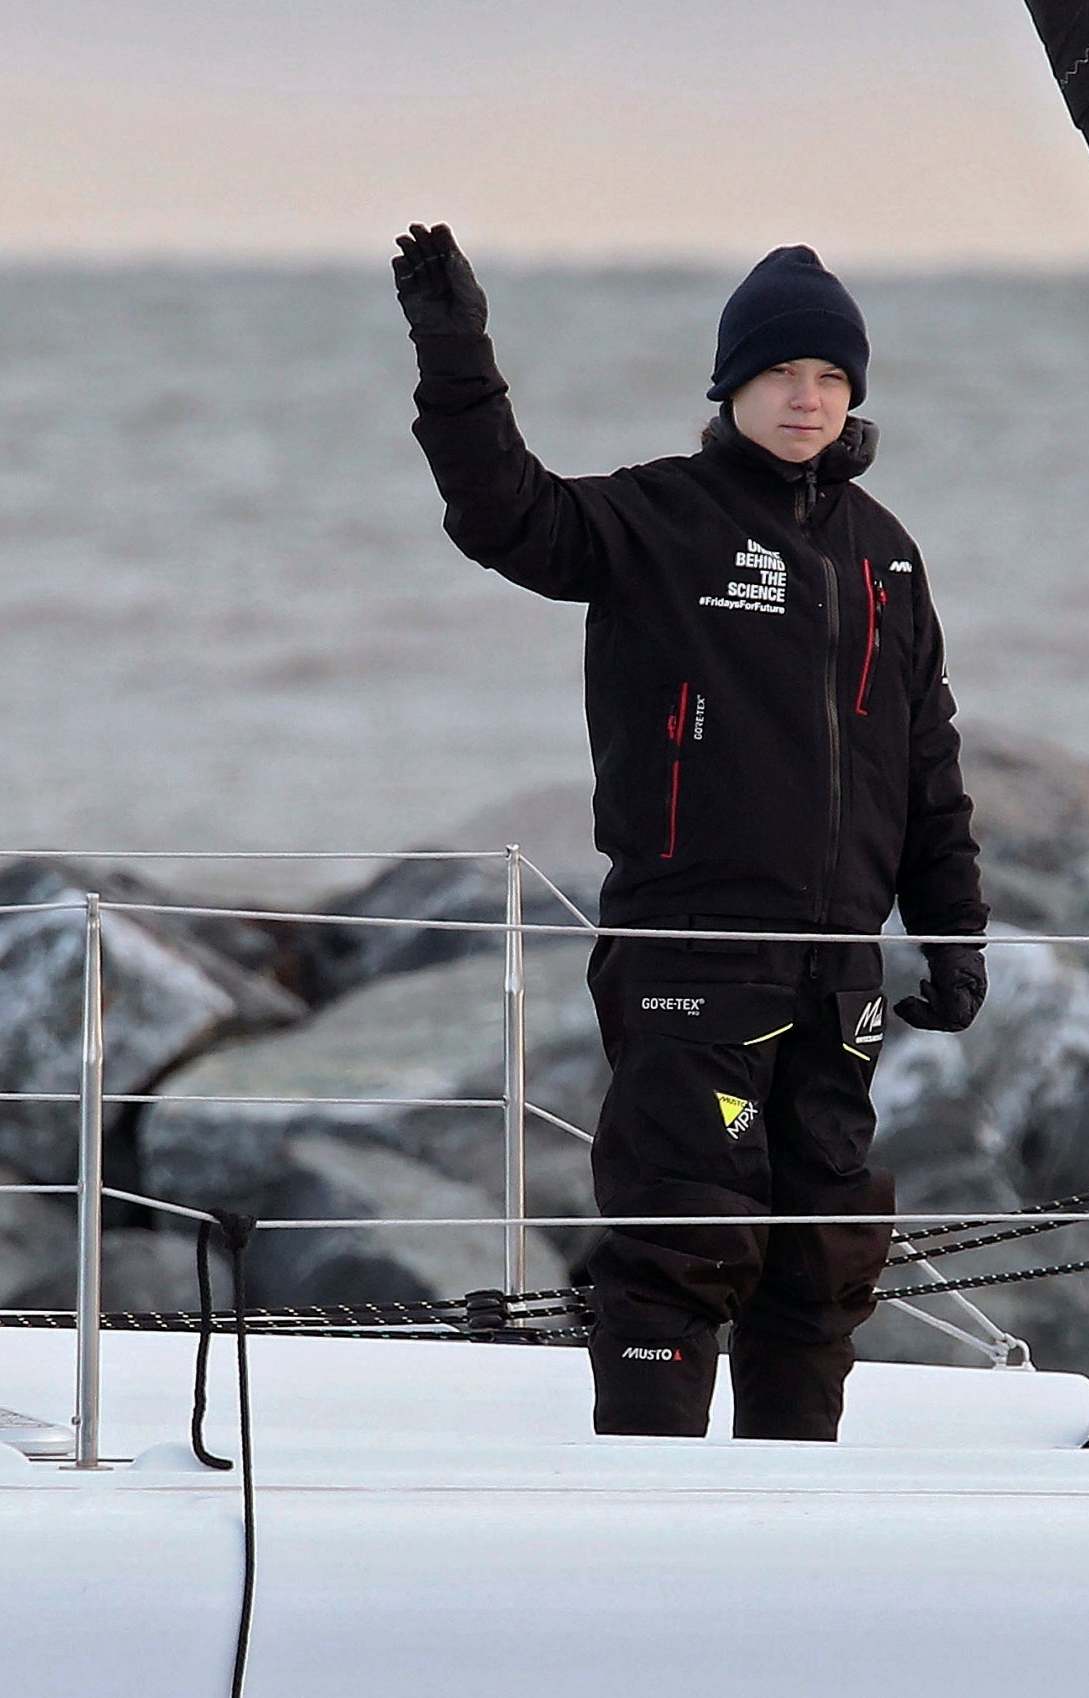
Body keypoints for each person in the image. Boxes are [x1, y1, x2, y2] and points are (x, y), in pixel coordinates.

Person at [393, 224, 987, 1441]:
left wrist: (953, 932)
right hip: (690, 951)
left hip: (837, 970)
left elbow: (926, 757)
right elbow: (505, 515)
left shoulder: (887, 557)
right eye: (782, 377)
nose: (807, 399)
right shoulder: (663, 516)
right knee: (682, 1234)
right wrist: (457, 357)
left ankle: (791, 1506)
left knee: (819, 1255)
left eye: (829, 379)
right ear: (732, 388)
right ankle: (651, 1505)